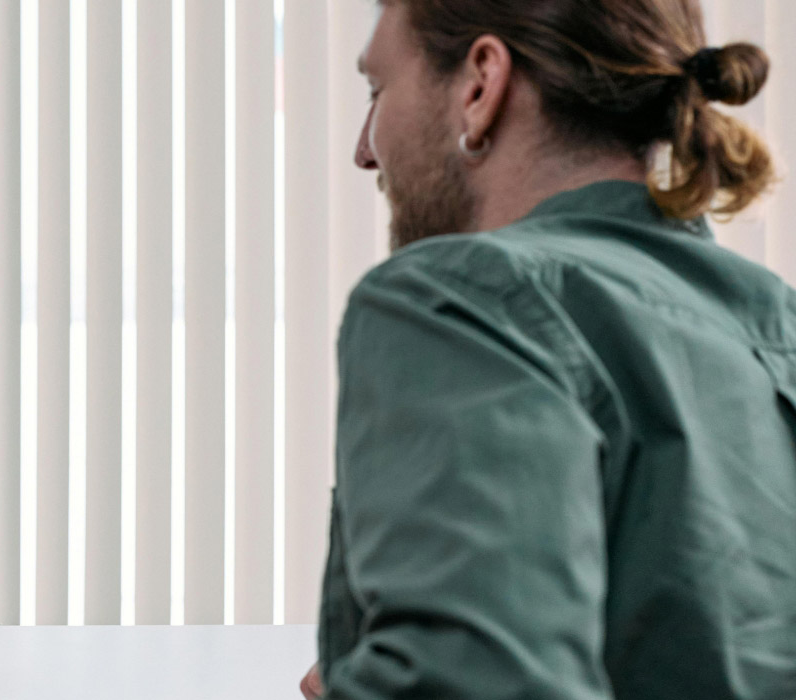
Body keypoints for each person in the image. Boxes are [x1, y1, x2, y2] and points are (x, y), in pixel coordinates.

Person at [305, 0, 796, 697]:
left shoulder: (460, 299)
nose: (364, 149)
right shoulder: (776, 325)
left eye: (377, 90)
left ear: (480, 84)